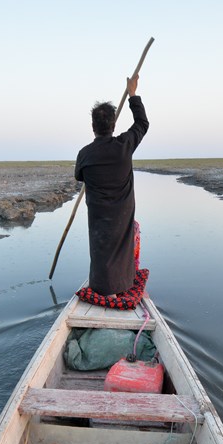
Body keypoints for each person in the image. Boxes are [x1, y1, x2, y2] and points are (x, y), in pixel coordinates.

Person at [74, 74, 149, 297]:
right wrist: (133, 94)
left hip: (98, 216)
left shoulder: (85, 154)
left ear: (93, 126)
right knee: (122, 246)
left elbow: (79, 176)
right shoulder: (124, 146)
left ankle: (101, 286)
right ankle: (122, 286)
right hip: (121, 213)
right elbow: (142, 123)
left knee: (100, 249)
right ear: (114, 125)